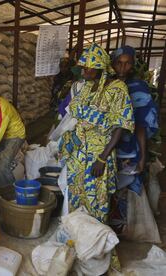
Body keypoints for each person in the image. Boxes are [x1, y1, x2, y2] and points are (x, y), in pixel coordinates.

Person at [59, 43, 134, 224]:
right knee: (75, 194)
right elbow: (73, 112)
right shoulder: (86, 86)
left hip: (98, 153)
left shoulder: (117, 89)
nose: (84, 71)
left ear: (100, 67)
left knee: (96, 197)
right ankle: (77, 236)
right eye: (83, 67)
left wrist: (102, 157)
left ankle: (95, 241)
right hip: (78, 150)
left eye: (88, 68)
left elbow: (120, 125)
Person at [109, 46, 159, 234]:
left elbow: (140, 127)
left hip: (128, 149)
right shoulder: (106, 85)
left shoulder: (138, 88)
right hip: (106, 148)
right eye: (119, 63)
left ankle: (122, 229)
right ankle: (105, 225)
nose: (122, 67)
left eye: (127, 63)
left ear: (133, 64)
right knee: (107, 186)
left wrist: (142, 156)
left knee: (125, 188)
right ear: (112, 64)